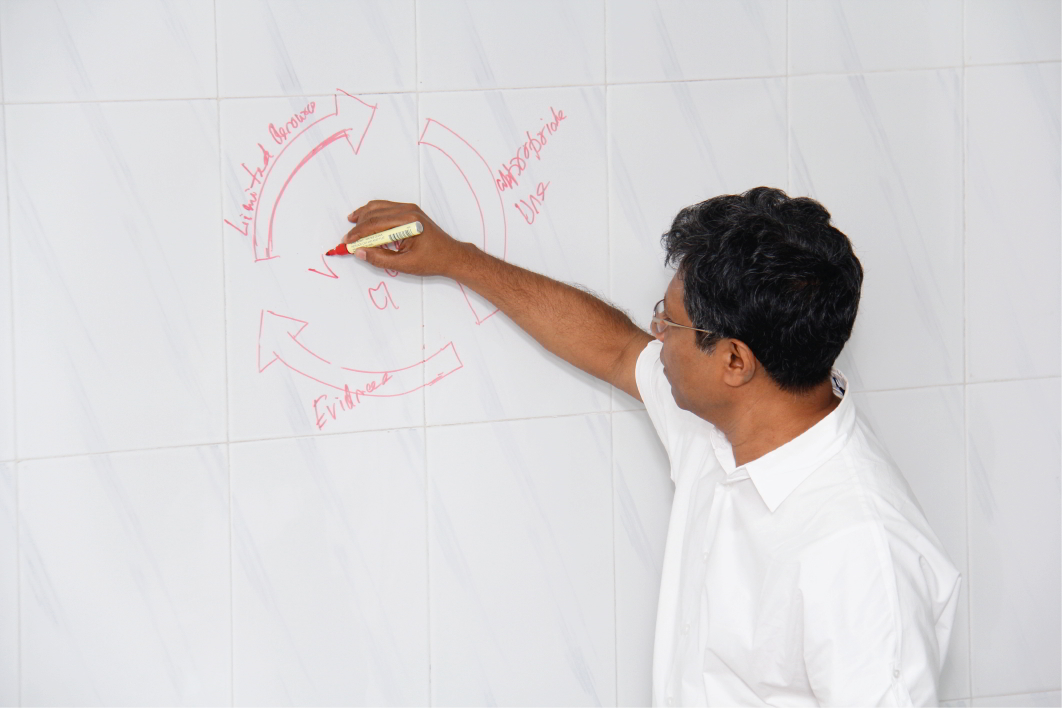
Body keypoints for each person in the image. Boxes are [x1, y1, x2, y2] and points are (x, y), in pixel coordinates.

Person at [343, 187, 961, 706]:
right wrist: (457, 258)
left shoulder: (860, 554)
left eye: (668, 323)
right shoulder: (726, 421)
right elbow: (614, 349)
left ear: (735, 360)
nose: (655, 336)